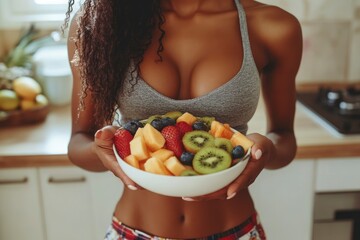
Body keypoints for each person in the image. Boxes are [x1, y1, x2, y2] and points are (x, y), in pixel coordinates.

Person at [65, 0, 302, 239]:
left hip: (236, 232)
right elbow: (78, 142)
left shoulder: (273, 26)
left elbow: (284, 138)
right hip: (133, 232)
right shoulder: (99, 23)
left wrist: (267, 151)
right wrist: (101, 150)